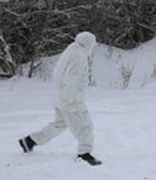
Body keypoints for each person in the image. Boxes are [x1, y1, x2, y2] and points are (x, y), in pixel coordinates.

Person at [19, 32, 102, 166]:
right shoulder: (79, 56)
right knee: (85, 127)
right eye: (92, 44)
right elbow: (72, 79)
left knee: (60, 124)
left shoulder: (70, 51)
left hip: (60, 98)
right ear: (88, 44)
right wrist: (72, 99)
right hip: (71, 100)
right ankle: (84, 154)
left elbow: (57, 73)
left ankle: (29, 141)